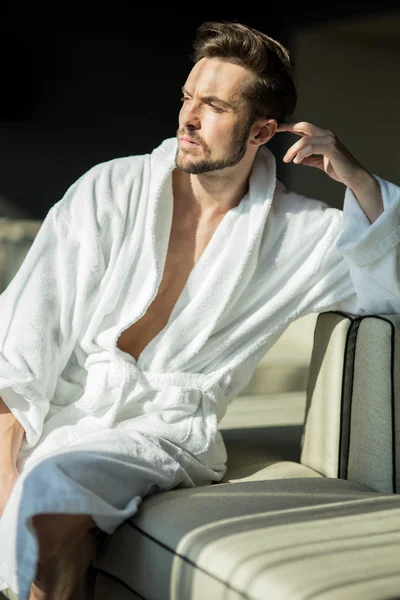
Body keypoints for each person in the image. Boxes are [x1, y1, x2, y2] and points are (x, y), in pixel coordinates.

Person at [0, 20, 399, 600]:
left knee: (49, 495)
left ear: (262, 130)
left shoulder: (297, 236)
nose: (188, 117)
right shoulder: (110, 189)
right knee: (37, 492)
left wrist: (359, 180)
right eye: (188, 98)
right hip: (63, 403)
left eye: (213, 106)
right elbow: (27, 328)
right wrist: (9, 451)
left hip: (163, 427)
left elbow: (387, 279)